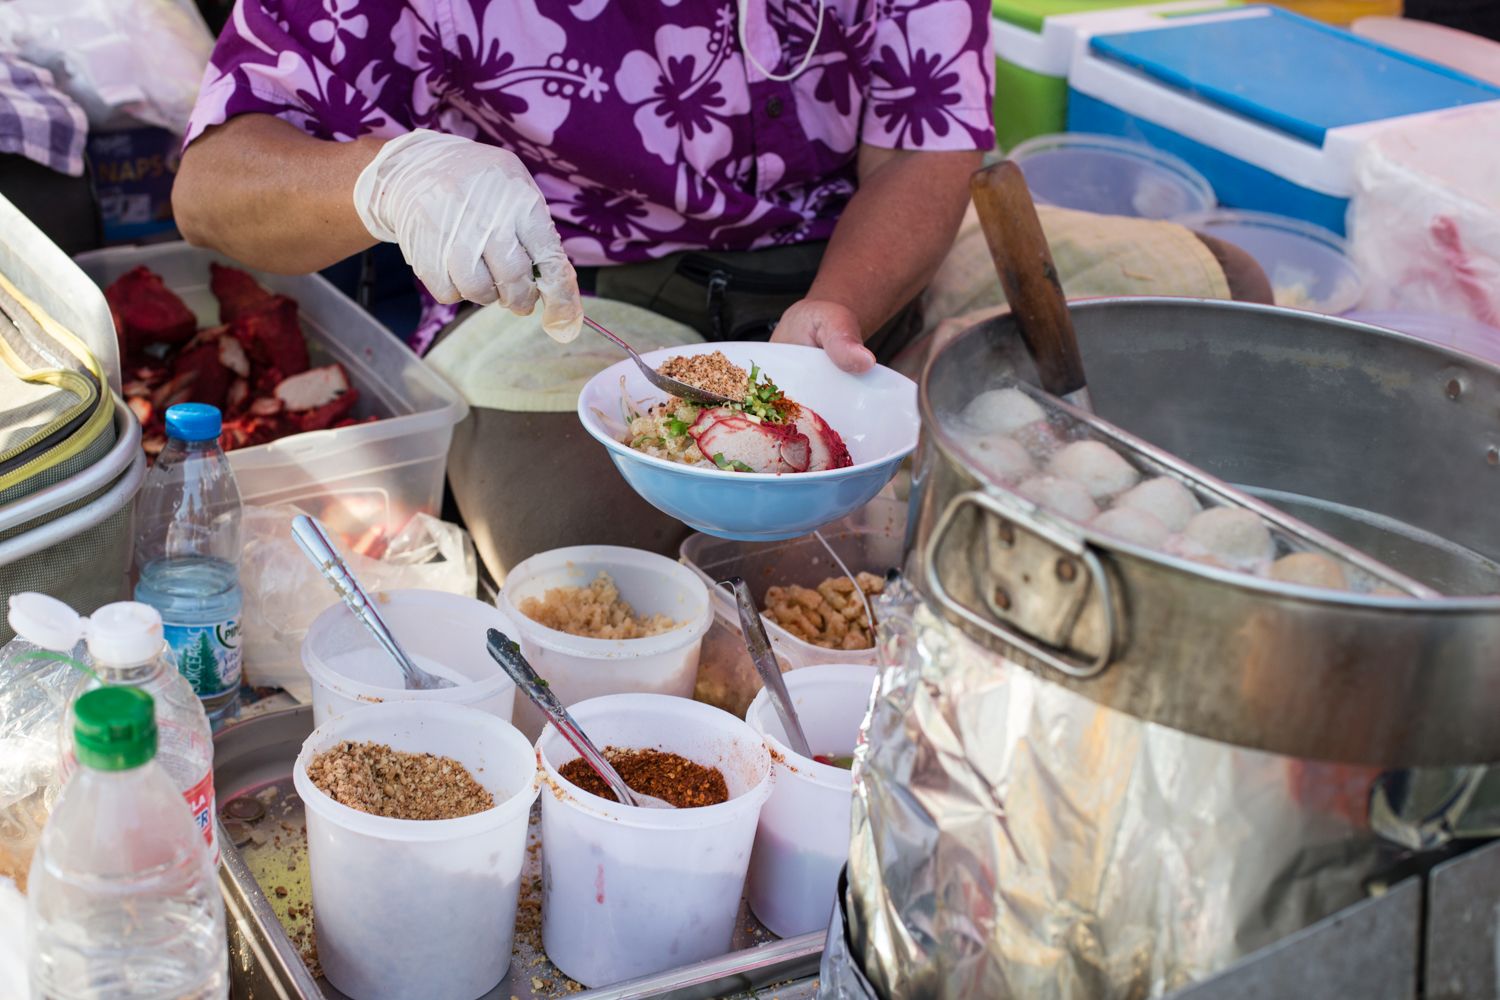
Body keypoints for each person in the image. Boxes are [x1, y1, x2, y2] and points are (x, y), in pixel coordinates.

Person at [172, 0, 996, 372]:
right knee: (598, 595)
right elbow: (212, 187)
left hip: (853, 277)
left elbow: (924, 146)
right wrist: (386, 178)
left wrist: (841, 303)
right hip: (565, 301)